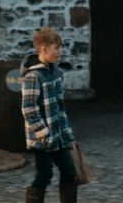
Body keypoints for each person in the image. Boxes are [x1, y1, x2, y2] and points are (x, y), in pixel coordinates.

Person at [20, 27, 78, 203]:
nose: (59, 52)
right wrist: (43, 133)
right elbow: (29, 108)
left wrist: (68, 135)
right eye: (56, 48)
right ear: (44, 48)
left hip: (58, 135)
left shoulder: (56, 73)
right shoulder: (33, 76)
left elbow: (61, 108)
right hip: (42, 139)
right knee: (44, 175)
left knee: (69, 171)